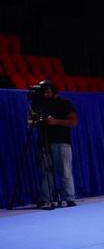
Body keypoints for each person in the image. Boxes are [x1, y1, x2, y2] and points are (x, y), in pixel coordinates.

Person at [28, 81, 77, 209]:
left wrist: (56, 122)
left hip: (61, 142)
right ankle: (46, 199)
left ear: (54, 90)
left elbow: (73, 121)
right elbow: (31, 122)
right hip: (44, 142)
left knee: (65, 171)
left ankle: (69, 198)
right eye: (43, 90)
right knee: (45, 172)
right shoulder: (39, 105)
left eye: (47, 90)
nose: (45, 93)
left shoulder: (64, 103)